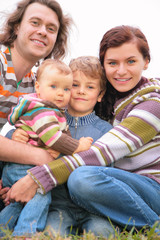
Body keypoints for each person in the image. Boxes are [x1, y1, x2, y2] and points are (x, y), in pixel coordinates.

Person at [6, 25, 160, 236]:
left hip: (149, 190)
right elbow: (26, 130)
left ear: (146, 62)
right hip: (97, 194)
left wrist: (37, 177)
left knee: (83, 180)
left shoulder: (153, 103)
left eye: (131, 61)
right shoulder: (110, 105)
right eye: (112, 63)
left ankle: (156, 227)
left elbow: (102, 154)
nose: (121, 70)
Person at [0, 59, 93, 237]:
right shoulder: (42, 111)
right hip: (22, 167)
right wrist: (77, 146)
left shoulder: (49, 110)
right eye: (53, 86)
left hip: (24, 166)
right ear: (38, 87)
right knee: (40, 195)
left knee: (19, 203)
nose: (60, 94)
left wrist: (57, 149)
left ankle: (3, 229)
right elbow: (52, 137)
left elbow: (49, 138)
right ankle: (27, 233)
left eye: (66, 89)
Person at [0, 0, 72, 205]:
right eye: (35, 23)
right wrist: (42, 157)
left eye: (51, 29)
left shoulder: (37, 85)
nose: (42, 32)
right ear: (16, 27)